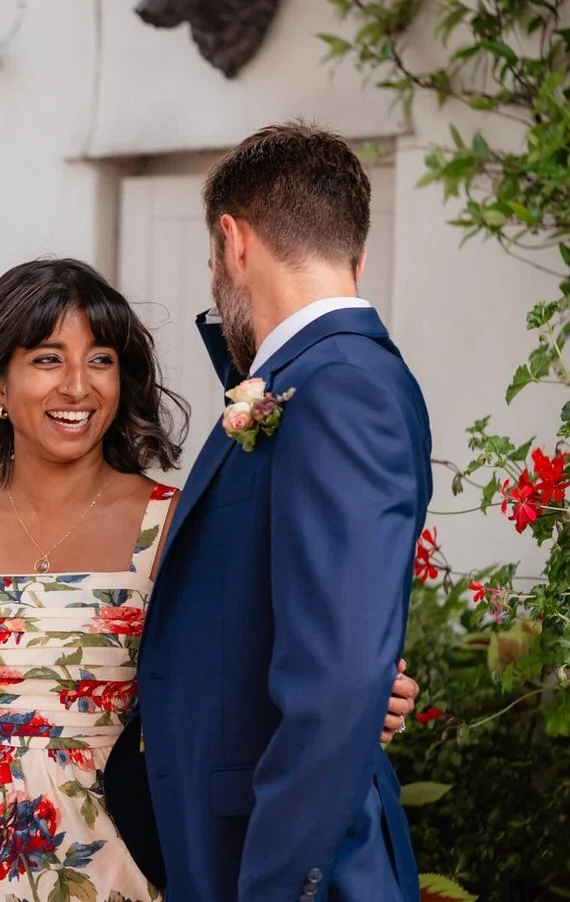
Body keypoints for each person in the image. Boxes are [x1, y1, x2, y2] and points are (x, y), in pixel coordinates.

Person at [0, 258, 421, 902]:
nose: (77, 386)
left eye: (100, 360)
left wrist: (361, 690)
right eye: (46, 359)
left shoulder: (175, 522)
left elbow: (250, 665)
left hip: (124, 846)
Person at [106, 122, 431, 902]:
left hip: (288, 868)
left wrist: (277, 884)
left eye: (212, 262)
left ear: (234, 241)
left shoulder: (344, 385)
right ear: (356, 253)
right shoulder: (309, 376)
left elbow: (341, 673)